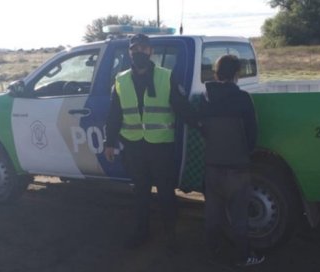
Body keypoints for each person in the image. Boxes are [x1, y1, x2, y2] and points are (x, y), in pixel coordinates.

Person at [104, 33, 197, 251]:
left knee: (166, 192)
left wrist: (201, 125)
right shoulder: (121, 80)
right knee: (141, 193)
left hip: (160, 146)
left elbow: (181, 106)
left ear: (151, 52)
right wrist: (109, 142)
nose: (139, 53)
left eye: (143, 49)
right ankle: (141, 232)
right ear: (130, 52)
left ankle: (171, 236)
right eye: (135, 49)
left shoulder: (166, 76)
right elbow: (114, 114)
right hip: (134, 146)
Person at [198, 54, 264, 267]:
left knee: (213, 215)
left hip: (212, 167)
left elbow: (202, 130)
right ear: (237, 75)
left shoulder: (205, 98)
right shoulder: (243, 98)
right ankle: (244, 256)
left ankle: (212, 252)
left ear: (216, 74)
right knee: (238, 217)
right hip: (237, 168)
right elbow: (253, 134)